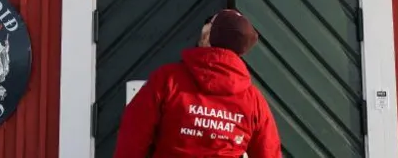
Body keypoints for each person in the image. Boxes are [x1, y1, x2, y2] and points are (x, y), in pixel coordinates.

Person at [113, 9, 281, 158]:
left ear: (208, 35)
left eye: (210, 22)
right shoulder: (253, 100)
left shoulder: (167, 80)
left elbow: (133, 138)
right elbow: (268, 152)